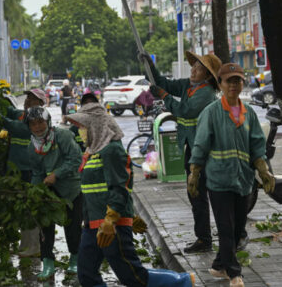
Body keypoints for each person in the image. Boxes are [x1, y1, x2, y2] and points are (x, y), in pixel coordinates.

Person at [64, 104, 194, 287]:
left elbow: (120, 187)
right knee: (86, 274)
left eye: (83, 126)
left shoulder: (112, 151)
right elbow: (90, 191)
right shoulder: (92, 152)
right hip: (92, 224)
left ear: (96, 126)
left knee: (132, 276)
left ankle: (182, 282)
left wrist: (112, 219)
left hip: (111, 224)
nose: (80, 131)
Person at [188, 63, 273, 286]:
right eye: (229, 81)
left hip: (243, 181)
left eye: (237, 81)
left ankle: (219, 266)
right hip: (218, 180)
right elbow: (201, 144)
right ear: (221, 84)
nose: (233, 85)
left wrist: (263, 171)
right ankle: (235, 273)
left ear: (242, 83)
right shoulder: (211, 113)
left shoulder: (249, 114)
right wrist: (194, 173)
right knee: (226, 229)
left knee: (237, 230)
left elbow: (257, 144)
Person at [140, 51, 221, 254]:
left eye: (199, 68)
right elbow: (164, 83)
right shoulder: (189, 86)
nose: (193, 70)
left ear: (208, 76)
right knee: (195, 193)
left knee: (199, 193)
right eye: (193, 67)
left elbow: (183, 110)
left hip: (202, 150)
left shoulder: (206, 93)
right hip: (191, 146)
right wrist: (150, 65)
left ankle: (205, 239)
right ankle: (203, 237)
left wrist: (164, 96)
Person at [0, 87, 47, 257]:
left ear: (41, 103)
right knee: (20, 208)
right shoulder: (23, 115)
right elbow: (7, 110)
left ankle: (33, 248)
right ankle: (26, 245)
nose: (27, 101)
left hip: (30, 171)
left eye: (32, 99)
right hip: (16, 171)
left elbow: (9, 124)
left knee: (29, 209)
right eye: (27, 97)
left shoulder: (39, 120)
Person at [25, 107, 83, 279]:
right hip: (48, 192)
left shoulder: (62, 136)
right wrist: (34, 191)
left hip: (70, 190)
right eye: (33, 124)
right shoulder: (32, 146)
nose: (37, 127)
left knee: (73, 228)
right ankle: (48, 262)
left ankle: (75, 259)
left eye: (40, 122)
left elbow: (75, 159)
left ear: (48, 121)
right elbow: (36, 172)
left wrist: (56, 175)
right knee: (45, 228)